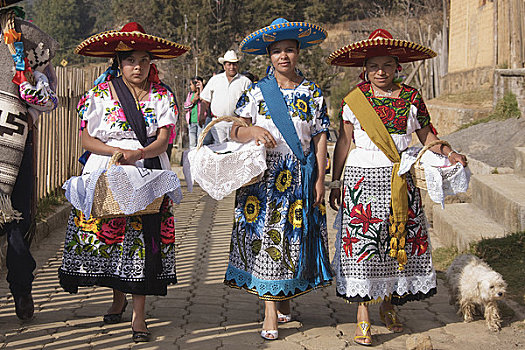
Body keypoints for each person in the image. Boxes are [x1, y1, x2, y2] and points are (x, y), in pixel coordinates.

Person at [327, 29, 468, 346]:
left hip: (399, 179)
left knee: (395, 243)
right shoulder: (354, 101)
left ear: (397, 67)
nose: (381, 72)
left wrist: (449, 152)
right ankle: (363, 315)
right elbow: (344, 142)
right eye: (375, 66)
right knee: (363, 248)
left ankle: (388, 305)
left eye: (387, 65)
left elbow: (427, 137)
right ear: (365, 69)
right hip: (361, 182)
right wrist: (335, 182)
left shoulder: (411, 98)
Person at [58, 22, 189, 342]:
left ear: (151, 62)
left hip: (147, 171)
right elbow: (86, 140)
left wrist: (140, 153)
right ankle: (117, 297)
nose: (138, 67)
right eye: (131, 60)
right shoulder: (100, 94)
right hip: (108, 170)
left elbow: (164, 140)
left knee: (144, 242)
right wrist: (116, 151)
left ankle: (139, 317)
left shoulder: (162, 96)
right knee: (114, 240)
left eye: (144, 60)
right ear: (119, 62)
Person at [223, 18, 332, 340]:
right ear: (268, 56)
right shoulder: (256, 92)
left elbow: (321, 138)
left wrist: (320, 180)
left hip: (299, 173)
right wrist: (252, 130)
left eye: (289, 50)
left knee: (291, 238)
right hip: (262, 176)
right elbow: (234, 130)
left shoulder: (312, 93)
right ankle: (270, 309)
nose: (283, 56)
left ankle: (283, 296)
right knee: (267, 238)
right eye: (277, 51)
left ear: (299, 53)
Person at [0, 0, 59, 321]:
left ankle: (21, 289)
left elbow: (49, 99)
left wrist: (31, 92)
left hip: (15, 148)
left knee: (17, 222)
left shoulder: (27, 41)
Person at [199, 50, 251, 144]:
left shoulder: (245, 82)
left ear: (237, 65)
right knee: (220, 149)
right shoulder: (215, 80)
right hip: (218, 122)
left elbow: (251, 103)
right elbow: (205, 100)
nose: (232, 67)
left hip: (237, 123)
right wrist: (201, 114)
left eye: (234, 64)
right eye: (229, 64)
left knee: (236, 150)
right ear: (224, 66)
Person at [184, 76, 205, 148]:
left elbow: (204, 103)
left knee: (200, 143)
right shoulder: (190, 95)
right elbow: (185, 107)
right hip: (191, 122)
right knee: (192, 144)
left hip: (201, 122)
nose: (190, 86)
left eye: (191, 84)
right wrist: (192, 101)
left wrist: (201, 89)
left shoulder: (204, 93)